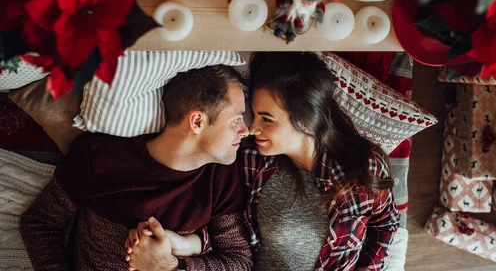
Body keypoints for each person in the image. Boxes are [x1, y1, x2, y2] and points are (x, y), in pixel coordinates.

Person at [127, 52, 401, 270]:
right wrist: (186, 244)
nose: (252, 128)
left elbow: (386, 224)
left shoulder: (363, 167)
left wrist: (369, 268)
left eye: (267, 119)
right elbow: (238, 236)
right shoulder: (250, 161)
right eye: (254, 115)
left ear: (305, 120)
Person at [20, 65, 253, 271]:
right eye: (236, 120)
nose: (246, 131)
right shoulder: (100, 159)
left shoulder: (221, 176)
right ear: (197, 122)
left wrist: (172, 266)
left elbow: (239, 261)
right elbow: (40, 223)